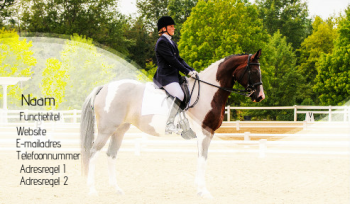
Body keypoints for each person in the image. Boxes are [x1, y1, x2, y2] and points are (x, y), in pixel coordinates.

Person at [153, 16, 198, 134]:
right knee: (179, 94)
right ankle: (169, 124)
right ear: (163, 28)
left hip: (174, 76)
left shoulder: (171, 42)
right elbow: (172, 61)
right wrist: (187, 72)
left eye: (173, 26)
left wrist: (192, 70)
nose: (174, 28)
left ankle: (183, 122)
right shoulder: (162, 42)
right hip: (165, 77)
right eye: (171, 26)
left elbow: (180, 59)